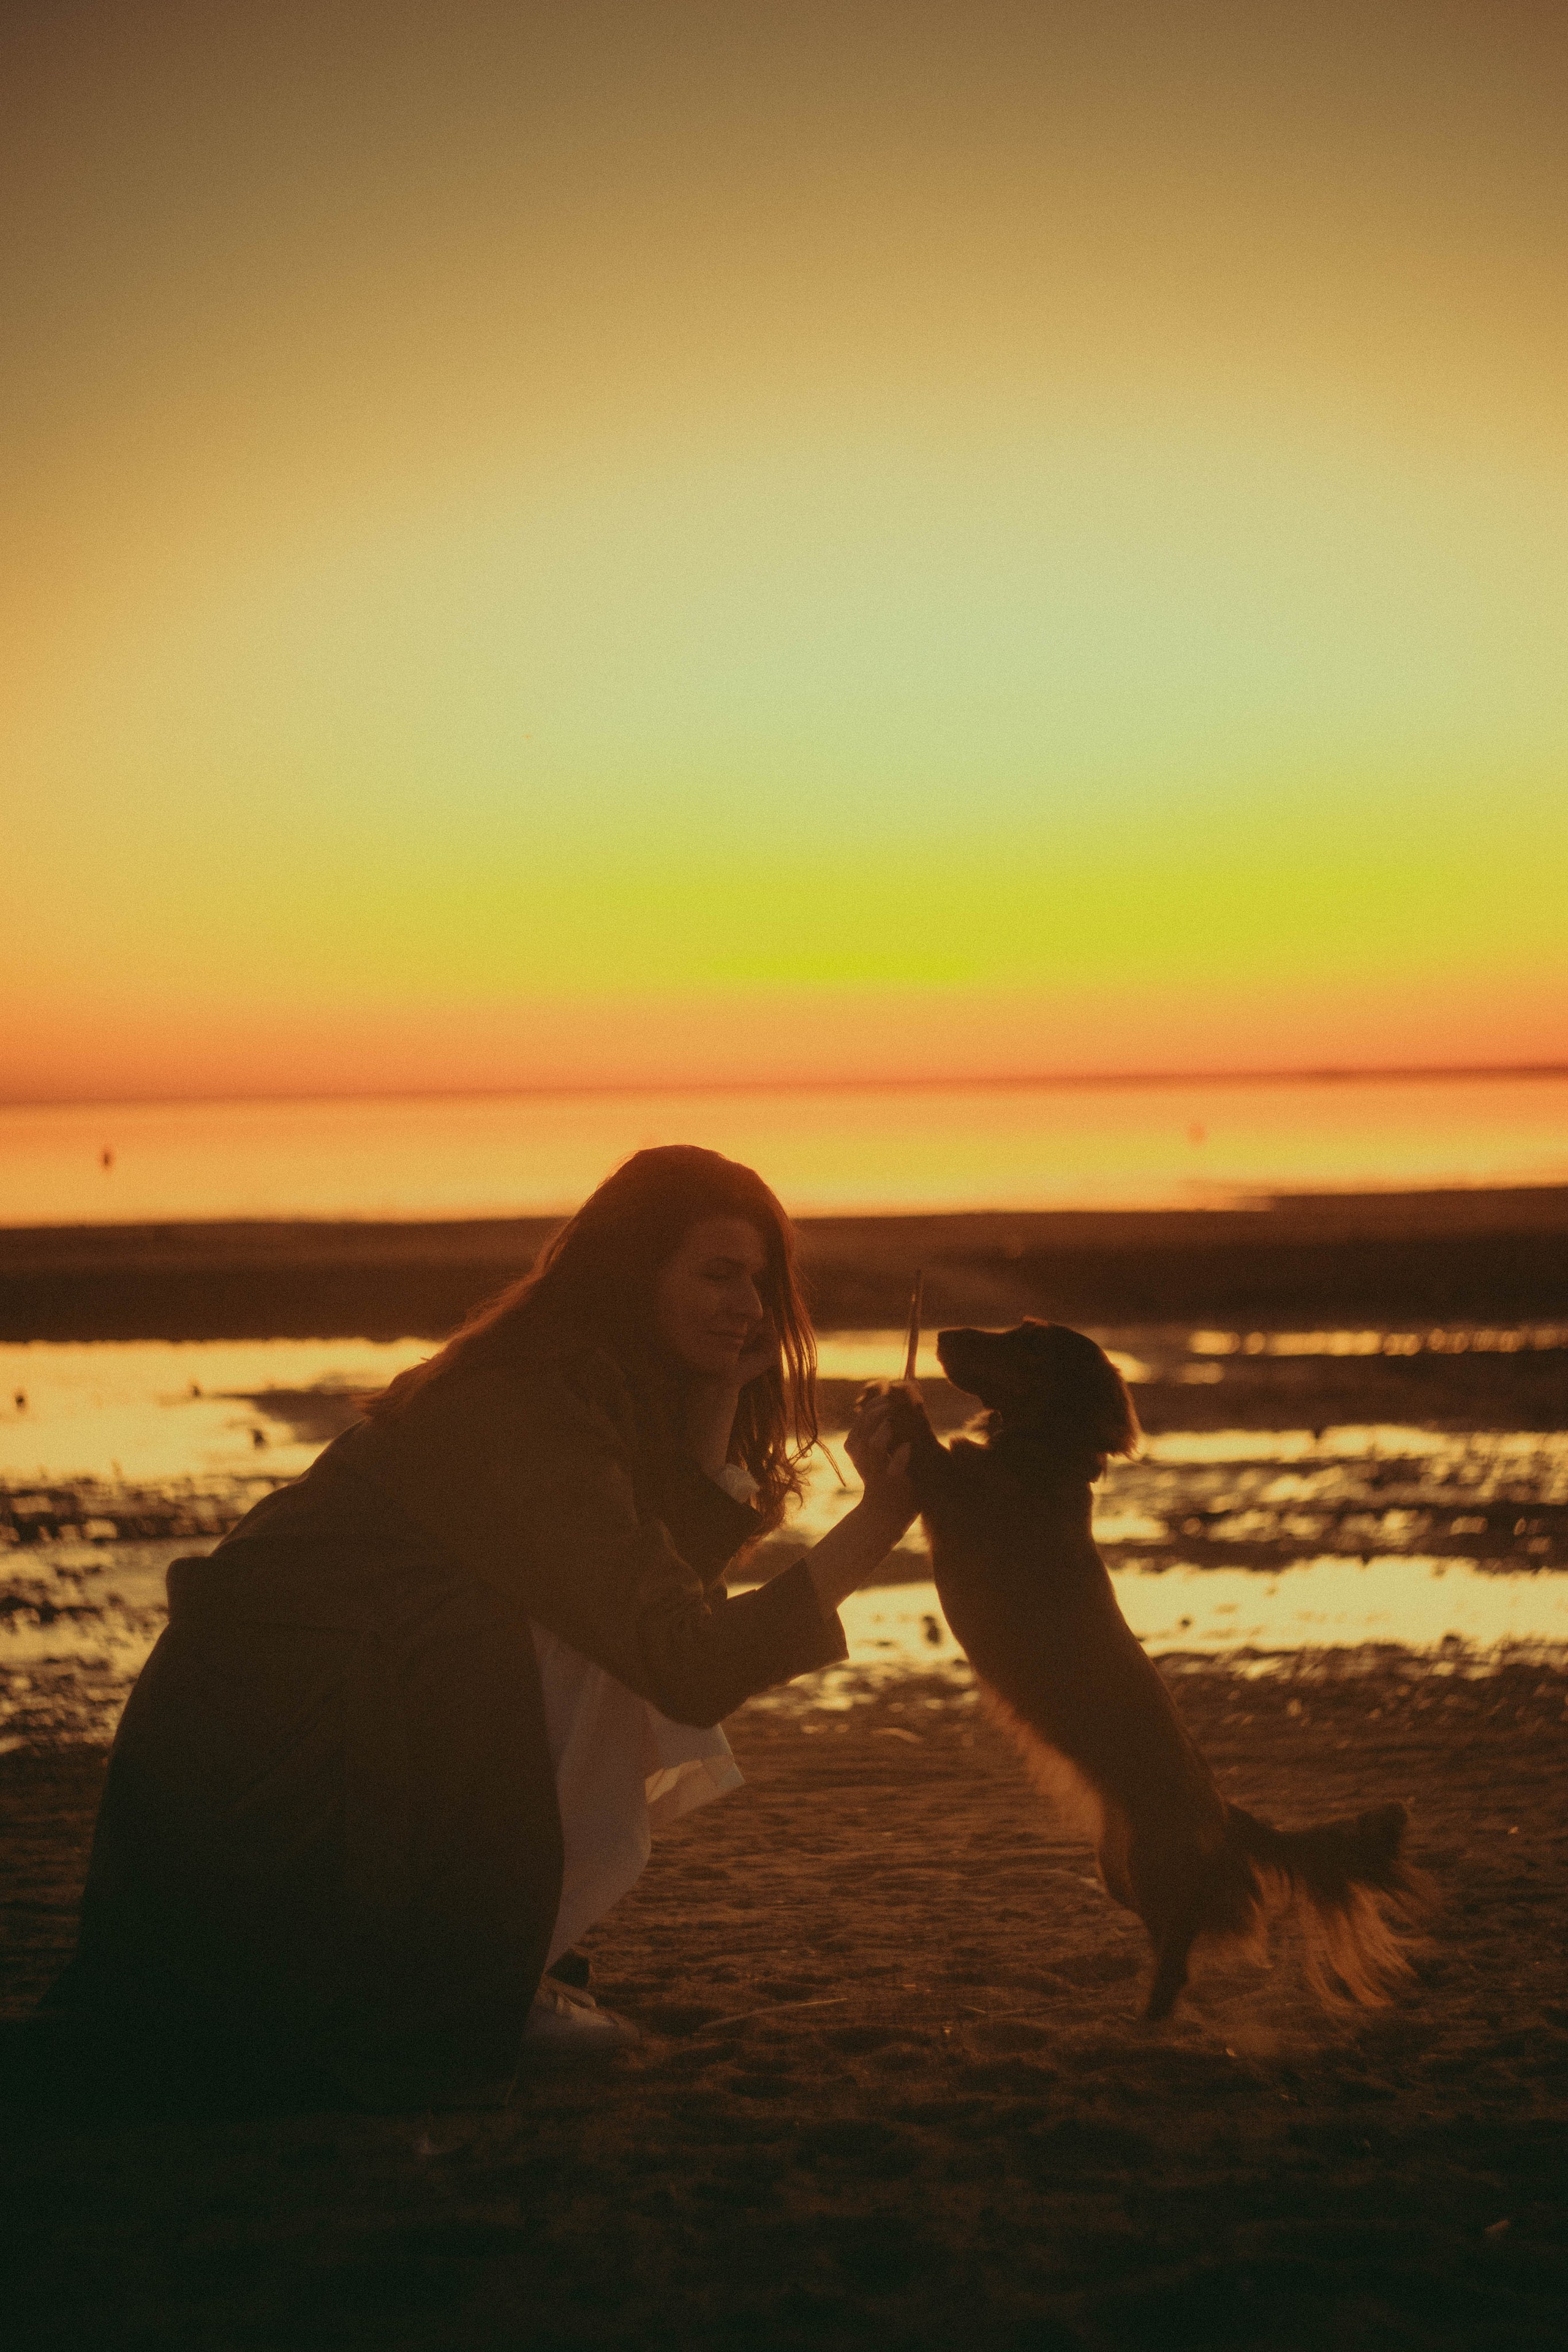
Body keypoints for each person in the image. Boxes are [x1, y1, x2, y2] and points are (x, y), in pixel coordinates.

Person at [48, 1146, 916, 2106]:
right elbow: (682, 1658)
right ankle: (456, 1975)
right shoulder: (528, 1404)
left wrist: (717, 1398)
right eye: (718, 1274)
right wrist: (880, 1520)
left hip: (302, 1737)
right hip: (264, 1789)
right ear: (635, 1274)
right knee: (594, 1648)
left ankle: (485, 1958)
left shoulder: (569, 1378)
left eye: (760, 1281)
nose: (752, 1305)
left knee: (603, 1630)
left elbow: (655, 1595)